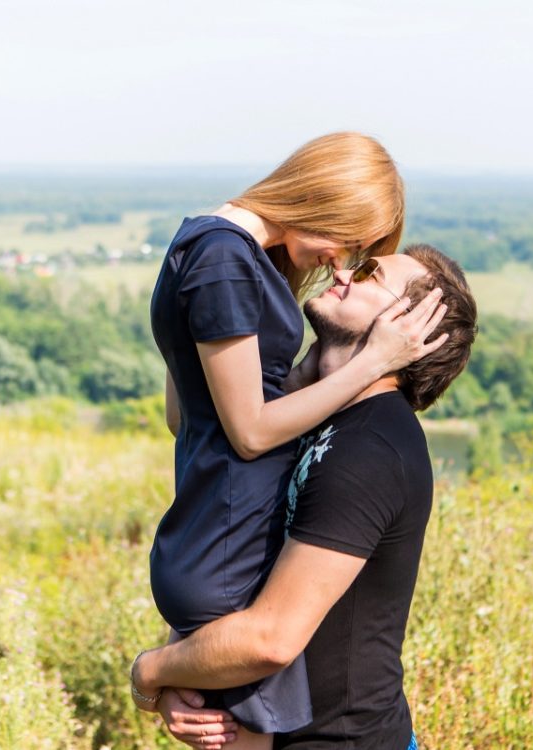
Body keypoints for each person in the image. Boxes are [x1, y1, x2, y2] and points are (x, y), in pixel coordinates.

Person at [145, 133, 450, 749]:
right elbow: (227, 436)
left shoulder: (370, 449)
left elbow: (268, 638)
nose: (340, 270)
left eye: (366, 269)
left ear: (404, 330)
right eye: (353, 249)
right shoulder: (230, 262)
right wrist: (186, 671)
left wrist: (154, 673)